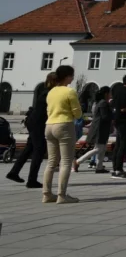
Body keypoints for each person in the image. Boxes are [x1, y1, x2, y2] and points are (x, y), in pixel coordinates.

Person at [7, 73, 58, 188]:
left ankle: (13, 172)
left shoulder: (45, 92)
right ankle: (32, 180)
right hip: (38, 124)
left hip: (34, 122)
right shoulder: (48, 93)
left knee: (29, 148)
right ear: (54, 82)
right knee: (39, 150)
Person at [42, 65, 83, 203]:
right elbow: (77, 113)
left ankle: (46, 194)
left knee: (51, 162)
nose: (72, 78)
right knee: (66, 161)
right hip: (64, 125)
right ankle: (62, 195)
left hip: (49, 125)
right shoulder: (69, 91)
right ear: (67, 76)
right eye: (71, 75)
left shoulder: (51, 91)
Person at [74, 86, 113, 174]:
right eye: (110, 93)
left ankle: (99, 167)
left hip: (102, 129)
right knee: (98, 149)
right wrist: (113, 114)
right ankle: (78, 161)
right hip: (100, 129)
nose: (111, 95)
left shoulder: (101, 102)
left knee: (102, 149)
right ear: (106, 94)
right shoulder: (103, 103)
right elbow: (105, 116)